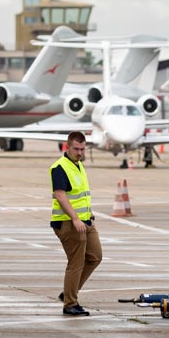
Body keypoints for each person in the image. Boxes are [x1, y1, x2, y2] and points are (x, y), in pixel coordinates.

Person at [50, 131, 101, 316]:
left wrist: (88, 215)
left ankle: (69, 292)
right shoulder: (60, 167)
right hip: (68, 223)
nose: (80, 152)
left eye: (82, 149)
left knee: (95, 256)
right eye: (76, 149)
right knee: (76, 263)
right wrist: (75, 219)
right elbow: (60, 195)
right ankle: (70, 304)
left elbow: (80, 196)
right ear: (67, 147)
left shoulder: (78, 165)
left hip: (86, 221)